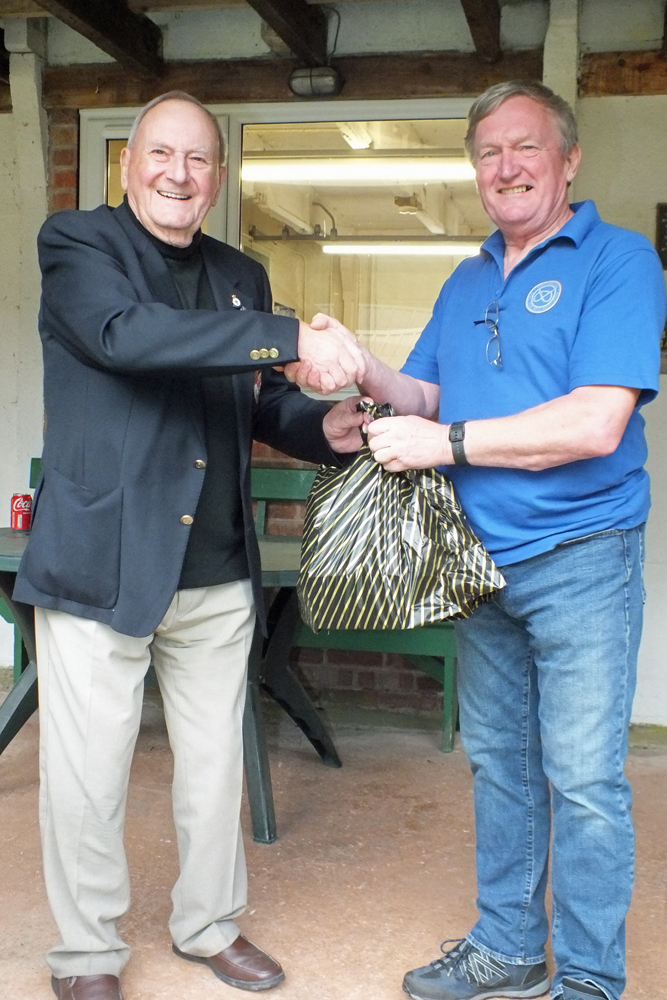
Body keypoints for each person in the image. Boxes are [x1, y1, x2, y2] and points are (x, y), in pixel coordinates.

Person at [285, 81, 666, 1000]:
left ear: (567, 160)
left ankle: (585, 978)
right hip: (477, 563)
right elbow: (419, 393)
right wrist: (352, 368)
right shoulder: (464, 280)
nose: (506, 166)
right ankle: (506, 946)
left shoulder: (619, 261)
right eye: (489, 151)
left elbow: (593, 423)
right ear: (474, 170)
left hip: (581, 556)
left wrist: (447, 446)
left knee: (579, 780)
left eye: (525, 147)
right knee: (498, 765)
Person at [13, 91, 366, 1000]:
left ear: (216, 176)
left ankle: (208, 925)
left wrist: (326, 426)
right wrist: (290, 337)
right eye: (162, 155)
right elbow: (130, 341)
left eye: (199, 159)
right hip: (103, 559)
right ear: (127, 164)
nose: (179, 174)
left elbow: (258, 403)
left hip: (213, 566)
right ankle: (86, 952)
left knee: (213, 771)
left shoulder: (240, 270)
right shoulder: (79, 245)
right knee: (87, 779)